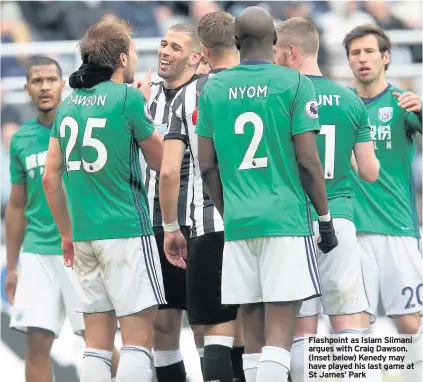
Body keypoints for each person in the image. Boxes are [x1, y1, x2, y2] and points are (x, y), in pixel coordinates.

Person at [195, 6, 339, 382]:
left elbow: (206, 165)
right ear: (274, 40)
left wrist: (229, 211)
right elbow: (309, 162)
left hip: (240, 221)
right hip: (285, 219)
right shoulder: (294, 83)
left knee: (254, 336)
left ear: (237, 42)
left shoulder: (212, 88)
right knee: (280, 336)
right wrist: (325, 220)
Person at [42, 17, 164, 382]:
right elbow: (160, 161)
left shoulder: (66, 105)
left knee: (96, 345)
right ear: (123, 58)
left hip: (83, 235)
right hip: (126, 229)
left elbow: (51, 177)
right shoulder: (127, 97)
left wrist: (66, 233)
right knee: (137, 343)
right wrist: (146, 104)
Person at [273, 17, 380, 382]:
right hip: (342, 218)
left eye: (276, 52)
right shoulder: (351, 99)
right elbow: (368, 171)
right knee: (348, 320)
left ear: (292, 51)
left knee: (303, 328)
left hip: (297, 222)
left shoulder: (283, 96)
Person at [5, 56, 119, 382]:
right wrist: (12, 266)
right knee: (36, 346)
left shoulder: (82, 129)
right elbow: (16, 205)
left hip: (81, 251)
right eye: (37, 81)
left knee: (97, 343)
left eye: (50, 80)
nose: (44, 86)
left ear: (63, 84)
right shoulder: (21, 139)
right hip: (38, 252)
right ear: (26, 88)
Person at [160, 11, 244, 382]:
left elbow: (167, 171)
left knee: (215, 330)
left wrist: (170, 226)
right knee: (262, 332)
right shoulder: (276, 85)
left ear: (203, 51)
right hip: (265, 220)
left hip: (207, 224)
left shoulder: (189, 95)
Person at [344, 24, 422, 382]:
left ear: (385, 57)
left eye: (369, 52)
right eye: (355, 53)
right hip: (351, 231)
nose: (362, 59)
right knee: (354, 321)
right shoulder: (340, 105)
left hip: (397, 228)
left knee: (409, 322)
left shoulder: (403, 102)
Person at [142, 23, 202, 382]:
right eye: (163, 44)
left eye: (175, 47)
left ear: (196, 56)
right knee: (163, 325)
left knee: (205, 324)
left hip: (196, 223)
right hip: (152, 222)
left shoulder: (203, 95)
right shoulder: (143, 97)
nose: (164, 51)